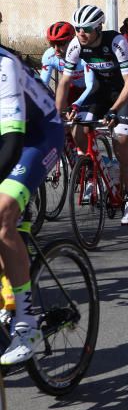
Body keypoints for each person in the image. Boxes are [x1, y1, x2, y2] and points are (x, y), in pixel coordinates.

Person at [0, 44, 64, 364]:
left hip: (38, 136)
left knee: (2, 213)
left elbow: (12, 145)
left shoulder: (4, 65)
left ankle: (26, 322)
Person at [56, 5, 128, 224]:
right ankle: (100, 171)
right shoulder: (76, 45)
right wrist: (57, 114)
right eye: (77, 28)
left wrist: (114, 110)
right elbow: (65, 81)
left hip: (125, 92)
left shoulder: (116, 42)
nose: (81, 33)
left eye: (86, 28)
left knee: (121, 144)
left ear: (98, 28)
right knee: (77, 131)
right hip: (101, 91)